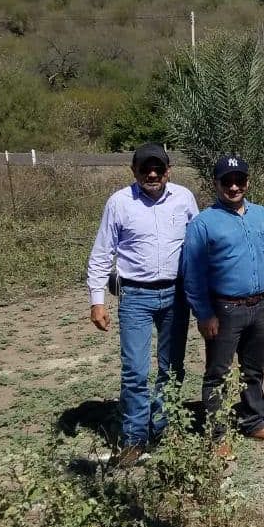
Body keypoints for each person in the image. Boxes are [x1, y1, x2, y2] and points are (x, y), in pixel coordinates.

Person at [85, 143, 198, 466]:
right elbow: (101, 253)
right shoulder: (119, 203)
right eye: (145, 169)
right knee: (135, 371)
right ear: (133, 171)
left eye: (158, 169)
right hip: (135, 295)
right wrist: (97, 301)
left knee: (171, 368)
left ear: (168, 171)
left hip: (176, 295)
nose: (152, 174)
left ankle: (161, 428)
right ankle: (135, 437)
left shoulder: (184, 198)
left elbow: (199, 241)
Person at [183, 155, 264, 453]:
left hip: (259, 306)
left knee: (253, 370)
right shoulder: (203, 224)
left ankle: (254, 423)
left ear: (247, 182)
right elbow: (193, 273)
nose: (233, 187)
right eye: (226, 181)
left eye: (238, 180)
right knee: (217, 373)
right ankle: (217, 435)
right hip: (224, 310)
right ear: (215, 184)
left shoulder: (263, 216)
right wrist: (204, 314)